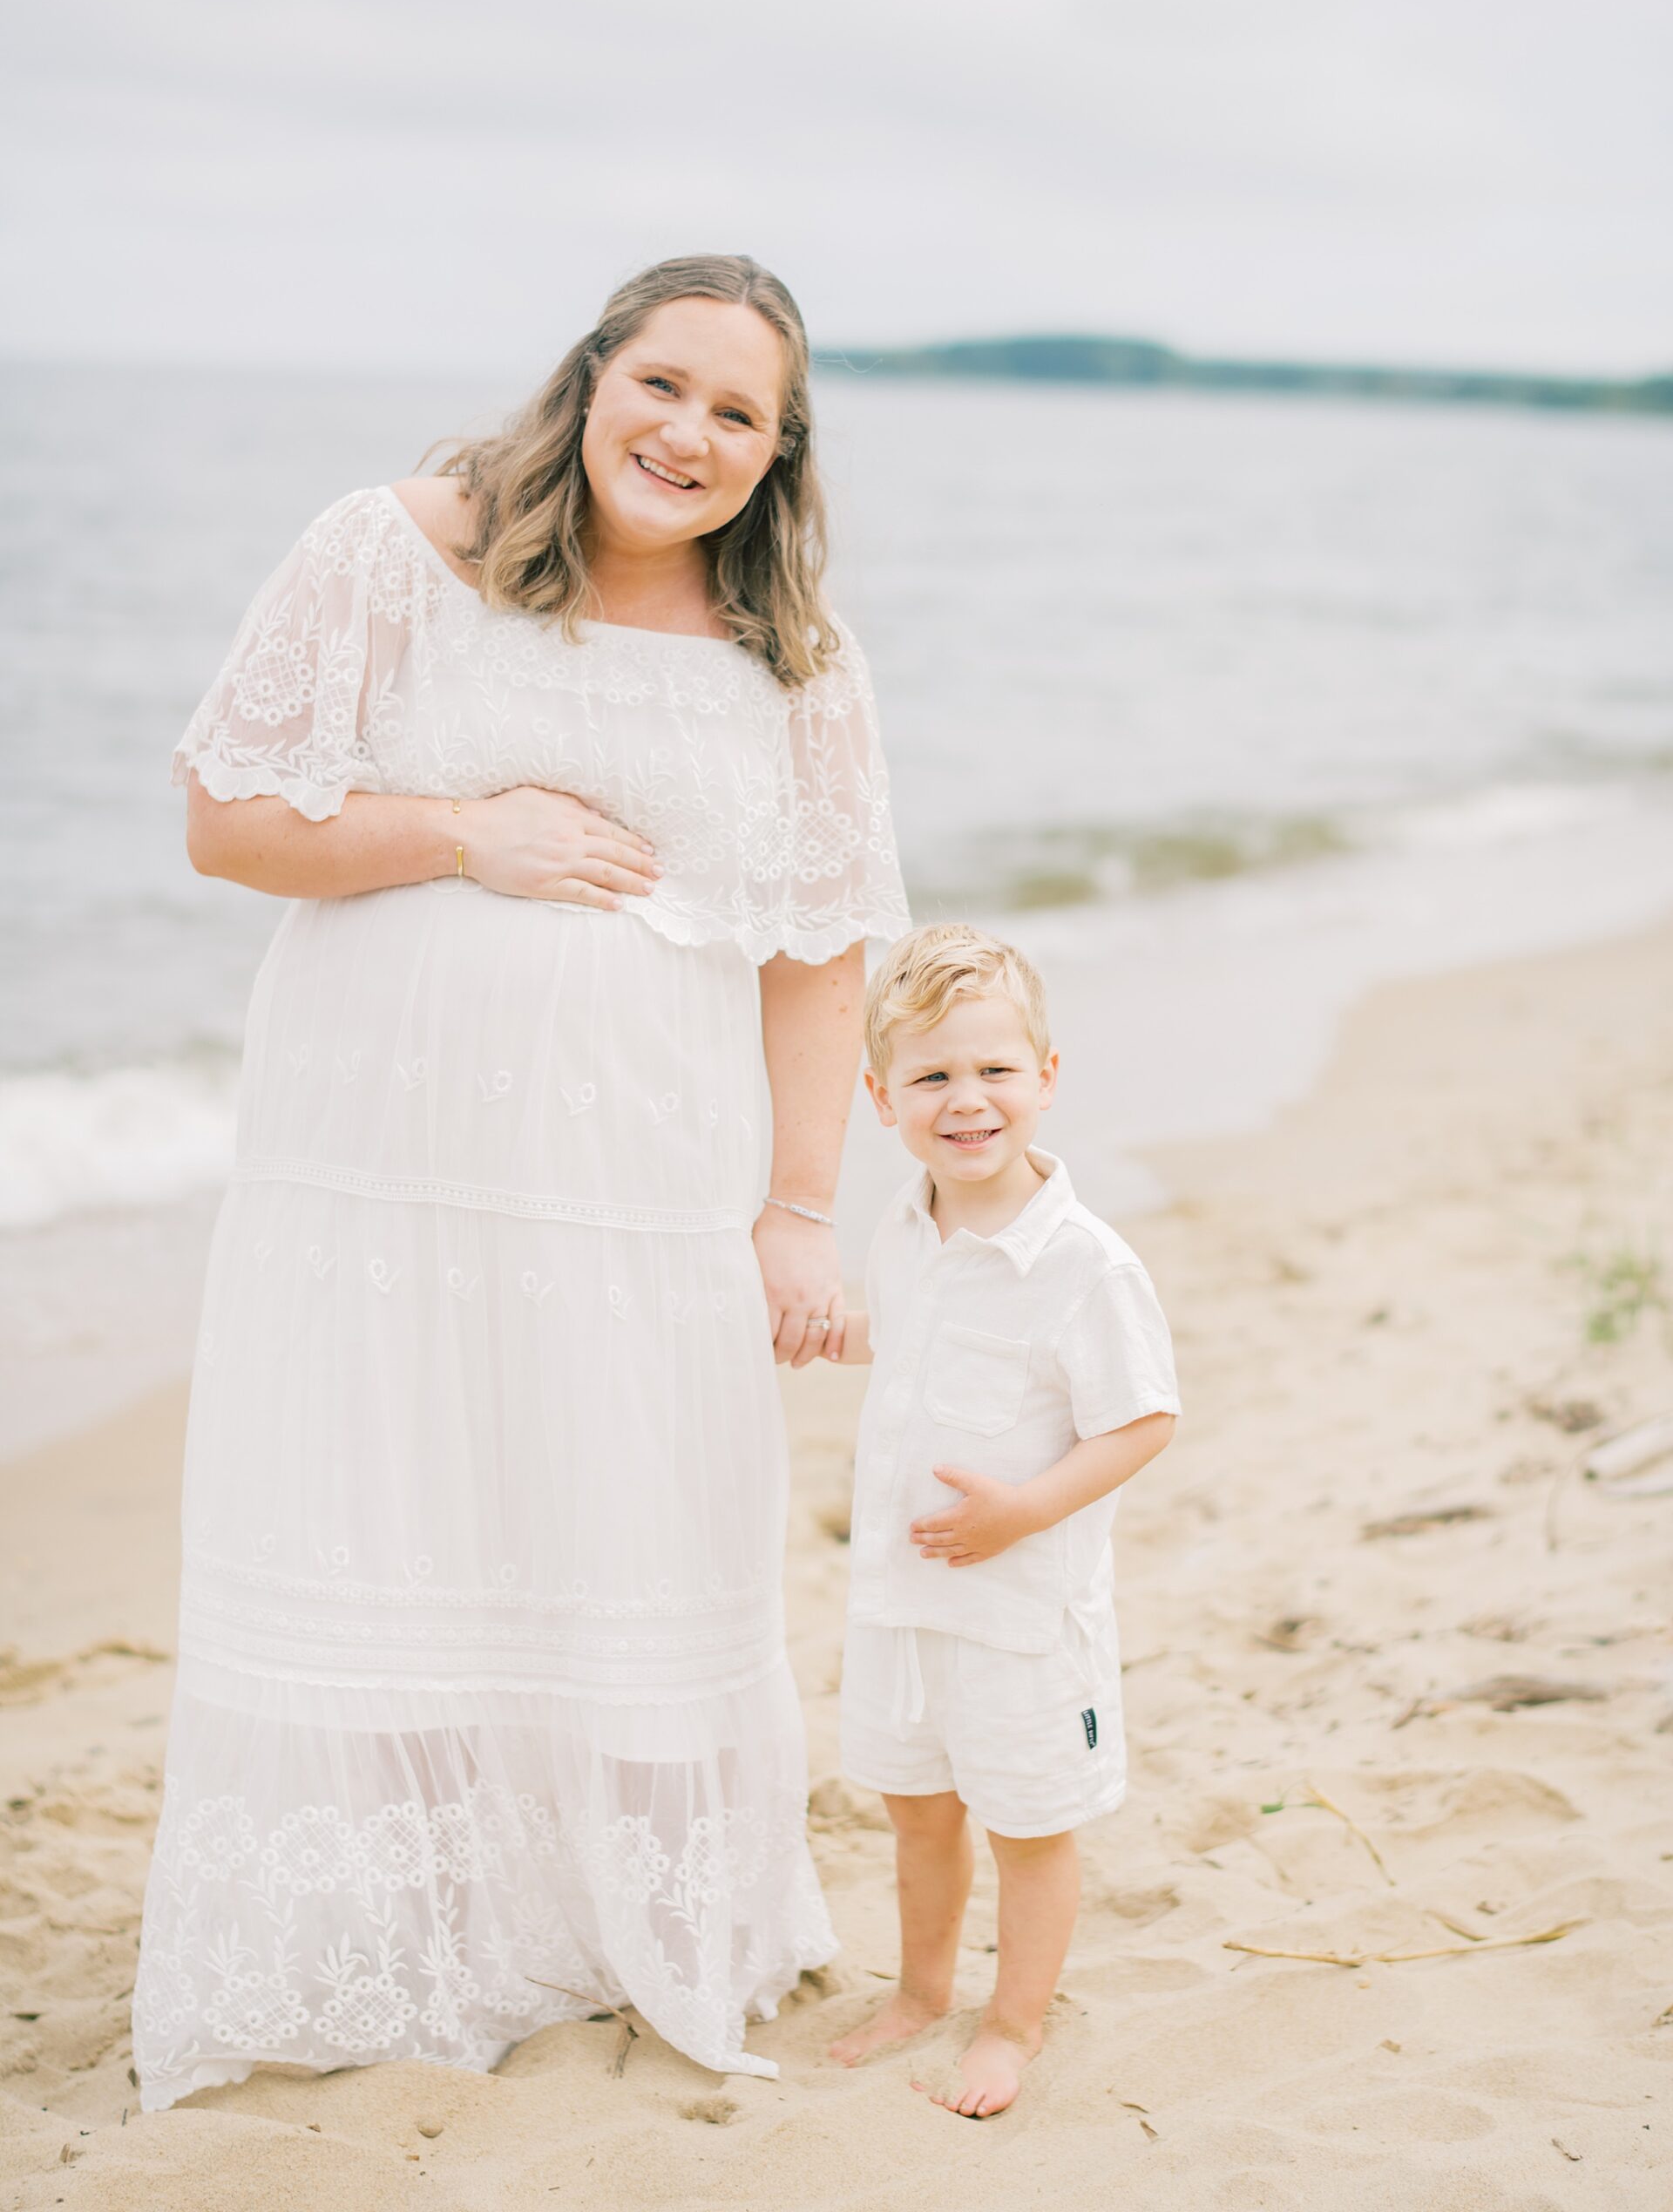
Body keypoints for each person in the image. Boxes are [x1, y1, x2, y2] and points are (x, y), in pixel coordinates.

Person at [132, 254, 911, 2110]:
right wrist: (459, 835)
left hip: (643, 1190)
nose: (690, 434)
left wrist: (800, 1206)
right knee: (388, 1508)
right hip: (375, 1174)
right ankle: (381, 1934)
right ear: (590, 377)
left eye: (741, 414)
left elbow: (817, 954)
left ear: (778, 456)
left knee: (619, 1518)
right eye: (666, 383)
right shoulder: (396, 548)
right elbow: (226, 818)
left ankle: (599, 1915)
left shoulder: (791, 650)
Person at [825, 924, 1178, 2117]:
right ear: (882, 1096)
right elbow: (916, 1337)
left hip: (1022, 1614)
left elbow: (1142, 1422)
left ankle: (1013, 2024)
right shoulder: (906, 1224)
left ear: (1046, 1078)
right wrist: (842, 1329)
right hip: (902, 1601)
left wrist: (1024, 1511)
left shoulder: (1084, 1264)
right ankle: (922, 1990)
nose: (966, 1102)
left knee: (1030, 1824)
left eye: (994, 1072)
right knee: (918, 1812)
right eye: (932, 1077)